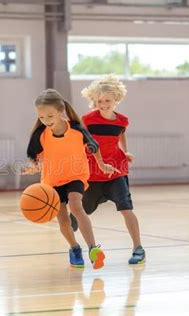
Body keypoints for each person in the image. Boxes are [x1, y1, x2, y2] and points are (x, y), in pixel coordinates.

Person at [23, 89, 118, 269]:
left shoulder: (76, 130)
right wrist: (33, 166)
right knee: (63, 220)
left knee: (76, 205)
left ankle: (93, 248)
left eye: (50, 115)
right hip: (52, 180)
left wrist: (102, 165)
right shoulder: (41, 134)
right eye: (41, 117)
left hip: (76, 175)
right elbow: (33, 156)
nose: (46, 120)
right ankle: (74, 248)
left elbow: (94, 147)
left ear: (61, 111)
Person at [70, 74, 146, 264]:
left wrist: (126, 152)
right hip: (93, 173)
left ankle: (138, 248)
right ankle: (74, 243)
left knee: (126, 208)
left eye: (107, 101)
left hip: (116, 172)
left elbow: (121, 136)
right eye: (99, 101)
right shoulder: (87, 119)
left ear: (116, 99)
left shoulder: (122, 121)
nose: (103, 104)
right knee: (80, 213)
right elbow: (80, 141)